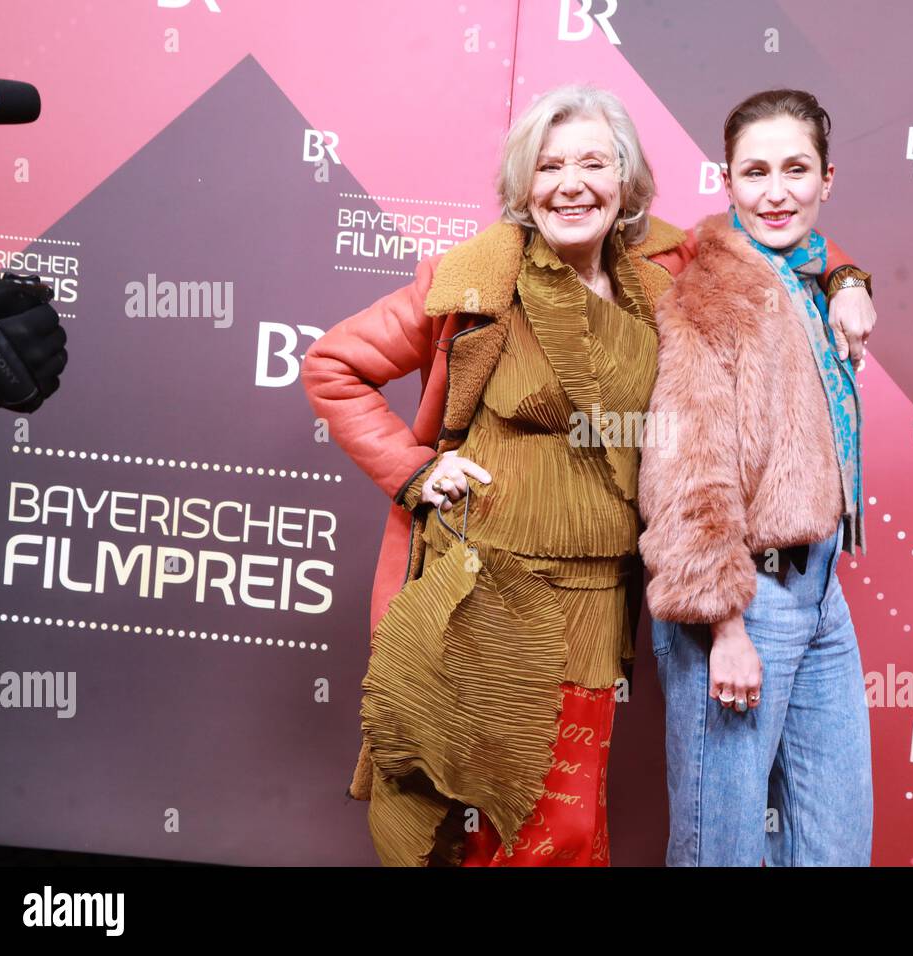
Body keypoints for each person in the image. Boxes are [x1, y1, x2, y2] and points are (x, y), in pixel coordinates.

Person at [302, 83, 875, 866]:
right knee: (500, 816)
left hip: (598, 602)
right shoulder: (476, 278)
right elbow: (333, 363)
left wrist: (846, 282)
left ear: (626, 181)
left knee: (564, 830)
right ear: (523, 186)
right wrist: (412, 470)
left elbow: (771, 232)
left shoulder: (661, 268)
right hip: (488, 594)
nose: (571, 184)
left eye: (593, 163)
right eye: (549, 166)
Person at [639, 89, 875, 866]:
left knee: (832, 844)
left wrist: (849, 279)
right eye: (756, 173)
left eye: (795, 170)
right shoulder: (713, 294)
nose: (776, 192)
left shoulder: (809, 273)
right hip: (741, 599)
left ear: (827, 179)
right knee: (722, 848)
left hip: (819, 590)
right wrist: (725, 630)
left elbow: (817, 252)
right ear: (727, 181)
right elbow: (687, 472)